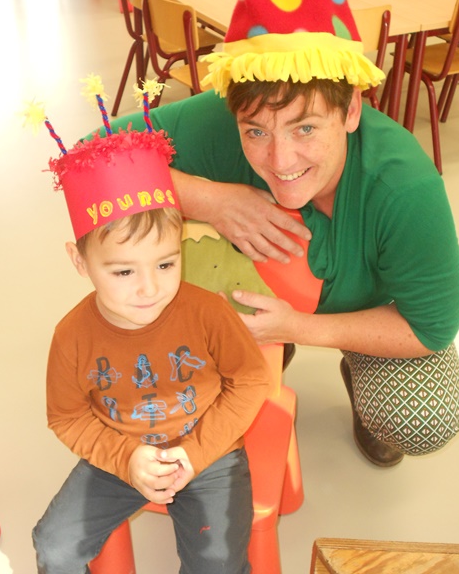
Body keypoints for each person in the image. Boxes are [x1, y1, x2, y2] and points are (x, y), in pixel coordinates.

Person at [105, 0, 459, 468]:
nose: (280, 159)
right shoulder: (228, 115)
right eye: (255, 132)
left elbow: (429, 328)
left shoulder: (405, 188)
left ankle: (346, 357)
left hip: (372, 312)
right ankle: (265, 348)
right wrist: (210, 199)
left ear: (351, 111)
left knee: (425, 415)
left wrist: (297, 327)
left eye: (306, 128)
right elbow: (90, 158)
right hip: (262, 289)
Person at [30, 78, 271, 573]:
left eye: (165, 263)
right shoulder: (71, 337)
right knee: (53, 546)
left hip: (209, 452)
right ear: (80, 261)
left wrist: (196, 453)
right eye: (123, 272)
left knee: (220, 563)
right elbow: (67, 417)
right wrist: (126, 459)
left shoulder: (207, 313)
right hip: (121, 452)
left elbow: (249, 380)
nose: (149, 289)